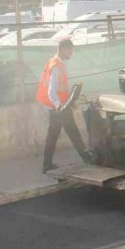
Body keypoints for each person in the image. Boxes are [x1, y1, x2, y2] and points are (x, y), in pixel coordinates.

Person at [36, 39, 91, 172]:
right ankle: (87, 158)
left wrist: (68, 102)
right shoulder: (56, 66)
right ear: (63, 49)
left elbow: (60, 89)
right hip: (58, 107)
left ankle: (47, 165)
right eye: (70, 50)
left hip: (57, 106)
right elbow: (51, 91)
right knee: (72, 132)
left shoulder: (54, 62)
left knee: (55, 135)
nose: (71, 53)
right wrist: (59, 106)